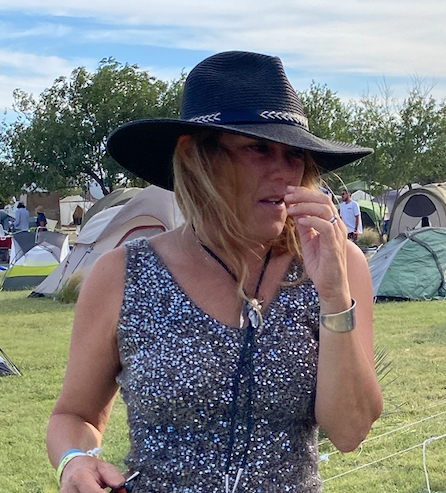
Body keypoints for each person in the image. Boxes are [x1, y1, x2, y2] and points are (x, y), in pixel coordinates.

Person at [46, 51, 382, 493]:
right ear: (194, 156)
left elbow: (350, 432)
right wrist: (74, 461)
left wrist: (335, 296)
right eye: (258, 148)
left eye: (295, 154)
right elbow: (74, 415)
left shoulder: (337, 263)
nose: (284, 172)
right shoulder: (123, 274)